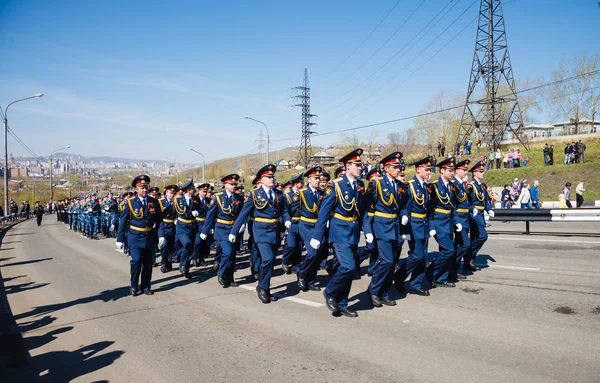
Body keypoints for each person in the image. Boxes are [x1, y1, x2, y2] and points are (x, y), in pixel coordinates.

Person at [311, 148, 365, 317]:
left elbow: (360, 210)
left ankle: (342, 303)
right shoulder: (335, 185)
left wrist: (365, 230)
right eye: (356, 165)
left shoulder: (359, 185)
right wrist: (317, 235)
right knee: (348, 266)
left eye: (361, 164)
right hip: (339, 230)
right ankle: (330, 291)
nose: (360, 167)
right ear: (347, 166)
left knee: (348, 268)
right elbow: (324, 211)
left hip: (353, 230)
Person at [230, 165, 289, 302]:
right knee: (267, 258)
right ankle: (262, 288)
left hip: (274, 230)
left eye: (273, 177)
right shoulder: (254, 194)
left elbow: (284, 210)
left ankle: (265, 288)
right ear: (261, 179)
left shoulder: (279, 194)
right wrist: (234, 231)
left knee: (271, 261)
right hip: (260, 231)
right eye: (268, 177)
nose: (272, 179)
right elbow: (244, 213)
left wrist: (287, 220)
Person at [363, 152, 407, 307]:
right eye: (395, 167)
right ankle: (374, 290)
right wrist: (367, 230)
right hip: (381, 226)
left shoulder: (400, 185)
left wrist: (404, 215)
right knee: (387, 261)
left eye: (399, 166)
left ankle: (384, 292)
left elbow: (401, 206)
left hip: (394, 227)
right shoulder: (377, 184)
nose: (398, 169)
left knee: (391, 261)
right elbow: (368, 207)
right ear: (386, 167)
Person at [393, 156, 434, 297]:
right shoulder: (409, 186)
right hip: (413, 225)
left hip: (424, 224)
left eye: (430, 169)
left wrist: (431, 225)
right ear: (418, 170)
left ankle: (415, 284)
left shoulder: (426, 186)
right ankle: (399, 276)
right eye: (427, 169)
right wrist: (404, 229)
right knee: (416, 255)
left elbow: (429, 209)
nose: (429, 172)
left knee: (423, 256)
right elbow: (404, 207)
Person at [116, 175, 163, 296]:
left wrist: (161, 235)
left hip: (149, 237)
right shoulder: (131, 203)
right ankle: (133, 285)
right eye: (142, 188)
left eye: (146, 187)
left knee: (148, 263)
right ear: (136, 189)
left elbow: (159, 220)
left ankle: (146, 286)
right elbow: (123, 221)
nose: (145, 190)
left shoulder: (154, 202)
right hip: (135, 237)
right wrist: (120, 239)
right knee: (136, 261)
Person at [201, 174, 245, 288]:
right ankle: (221, 272)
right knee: (228, 252)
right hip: (222, 229)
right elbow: (210, 215)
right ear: (225, 185)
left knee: (232, 255)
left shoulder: (239, 198)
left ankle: (229, 278)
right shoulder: (218, 197)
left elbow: (242, 214)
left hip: (234, 230)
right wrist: (205, 231)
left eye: (235, 184)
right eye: (231, 184)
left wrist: (242, 225)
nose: (234, 186)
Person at [428, 157, 460, 288]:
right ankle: (430, 272)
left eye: (453, 170)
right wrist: (431, 225)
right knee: (449, 250)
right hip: (438, 223)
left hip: (448, 223)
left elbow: (454, 206)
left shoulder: (452, 186)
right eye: (449, 170)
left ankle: (442, 278)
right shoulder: (434, 186)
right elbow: (429, 207)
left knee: (445, 251)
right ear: (442, 171)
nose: (452, 173)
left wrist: (456, 221)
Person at [296, 166, 324, 293]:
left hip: (318, 227)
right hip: (306, 226)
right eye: (315, 178)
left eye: (319, 178)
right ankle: (301, 274)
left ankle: (311, 280)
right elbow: (292, 209)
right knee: (311, 253)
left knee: (317, 255)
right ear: (309, 180)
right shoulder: (302, 193)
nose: (318, 180)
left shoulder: (322, 193)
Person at [464, 161, 494, 272]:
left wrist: (489, 209)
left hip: (480, 214)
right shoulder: (470, 186)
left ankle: (469, 261)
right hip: (474, 215)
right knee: (483, 236)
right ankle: (468, 255)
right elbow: (465, 200)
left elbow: (485, 200)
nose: (483, 173)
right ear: (474, 173)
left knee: (475, 237)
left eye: (483, 171)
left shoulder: (482, 186)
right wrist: (472, 208)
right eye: (480, 171)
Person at [173, 179, 201, 279]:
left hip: (192, 226)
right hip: (182, 227)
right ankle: (183, 264)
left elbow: (202, 209)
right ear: (188, 190)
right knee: (187, 244)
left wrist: (197, 212)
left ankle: (186, 268)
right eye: (193, 188)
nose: (194, 190)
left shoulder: (196, 199)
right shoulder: (178, 200)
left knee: (190, 248)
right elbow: (171, 211)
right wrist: (173, 219)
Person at [281, 173, 304, 274]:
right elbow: (285, 210)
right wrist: (287, 220)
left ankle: (296, 265)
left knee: (299, 246)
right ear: (296, 184)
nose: (303, 184)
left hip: (302, 222)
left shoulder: (303, 193)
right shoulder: (288, 196)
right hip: (292, 222)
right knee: (291, 244)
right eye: (300, 182)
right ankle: (285, 261)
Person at [158, 184, 177, 273]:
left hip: (172, 226)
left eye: (173, 193)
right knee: (164, 245)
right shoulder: (161, 202)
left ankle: (169, 263)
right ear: (166, 193)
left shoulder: (176, 202)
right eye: (170, 193)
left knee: (171, 246)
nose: (172, 195)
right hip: (163, 225)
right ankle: (163, 263)